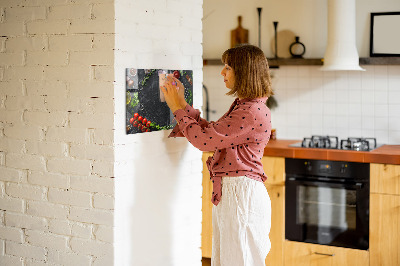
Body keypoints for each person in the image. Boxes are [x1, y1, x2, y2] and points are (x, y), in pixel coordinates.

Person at [161, 44, 273, 266]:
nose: (222, 72)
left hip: (241, 195)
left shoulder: (250, 111)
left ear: (244, 72)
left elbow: (204, 141)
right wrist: (182, 104)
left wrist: (176, 108)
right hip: (236, 193)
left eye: (228, 67)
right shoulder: (246, 106)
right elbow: (212, 133)